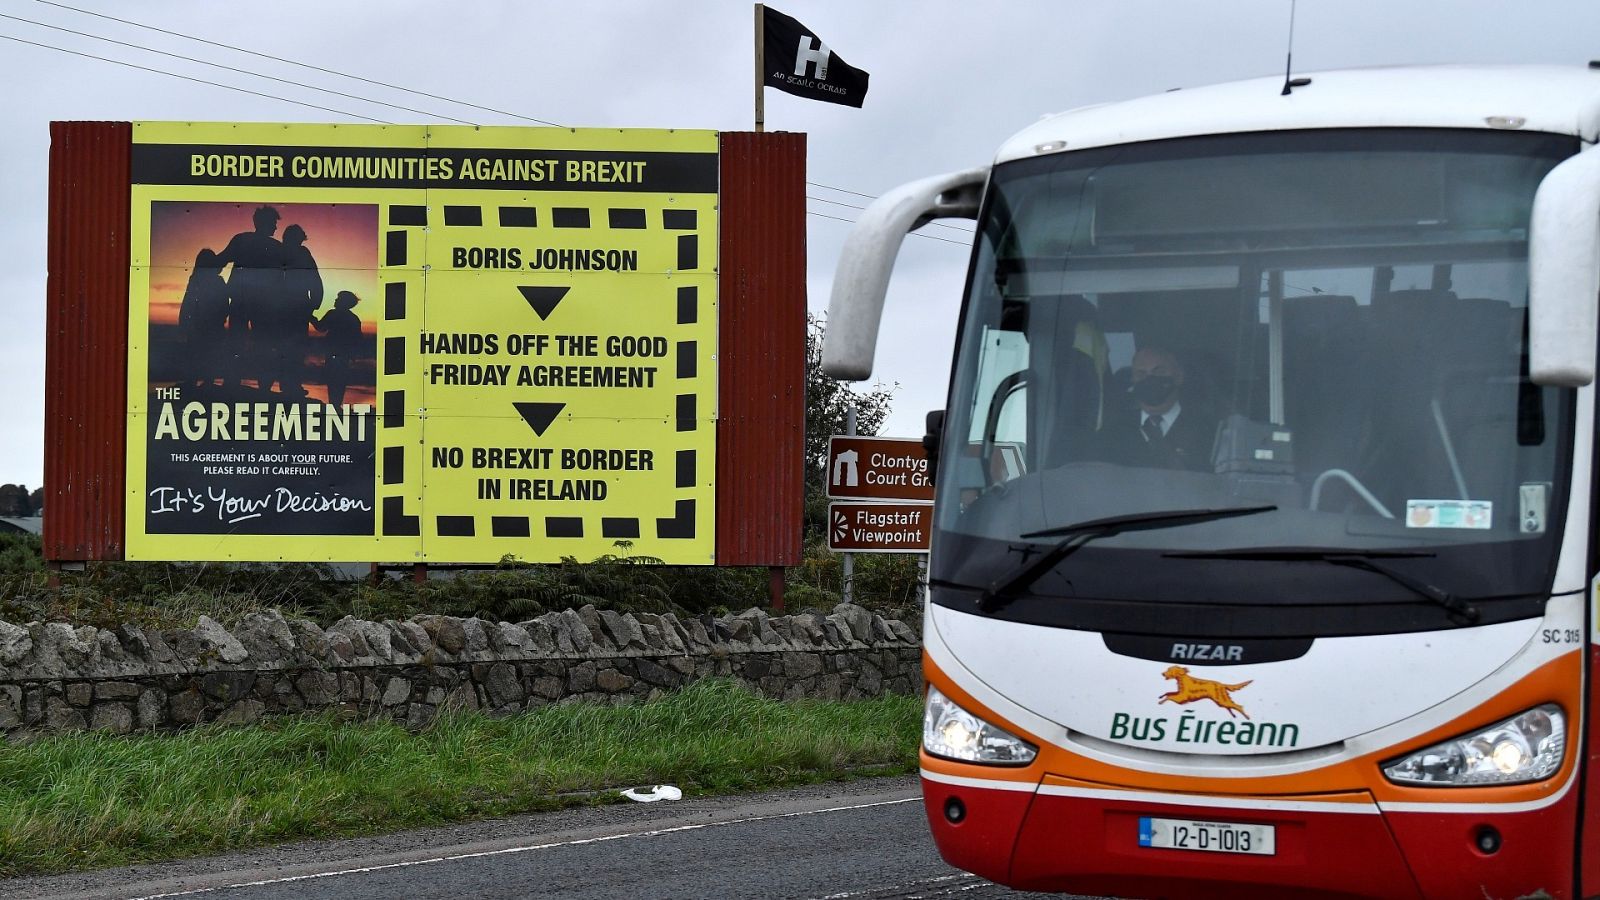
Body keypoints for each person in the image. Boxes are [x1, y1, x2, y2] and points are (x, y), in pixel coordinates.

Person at [1100, 345, 1218, 471]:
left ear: (1179, 376)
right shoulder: (1114, 432)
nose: (1149, 379)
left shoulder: (1210, 430)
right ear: (1133, 380)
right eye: (1141, 374)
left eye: (1159, 371)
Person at [214, 206, 285, 390]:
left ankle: (232, 383)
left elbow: (221, 259)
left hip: (242, 298)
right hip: (263, 303)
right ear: (264, 223)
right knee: (263, 344)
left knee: (237, 341)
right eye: (273, 223)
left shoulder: (242, 239)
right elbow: (282, 278)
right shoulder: (276, 247)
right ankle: (263, 388)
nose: (276, 228)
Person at [277, 224, 324, 399]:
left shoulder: (293, 252)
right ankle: (291, 385)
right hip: (290, 306)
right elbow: (315, 278)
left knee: (290, 346)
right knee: (292, 346)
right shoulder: (297, 253)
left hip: (291, 306)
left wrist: (314, 301)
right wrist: (315, 301)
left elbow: (314, 277)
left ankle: (290, 384)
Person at [176, 248, 228, 387]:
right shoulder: (215, 280)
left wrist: (184, 322)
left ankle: (195, 381)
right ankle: (205, 382)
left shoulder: (196, 279)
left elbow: (188, 302)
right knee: (205, 354)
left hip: (202, 325)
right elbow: (224, 303)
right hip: (208, 326)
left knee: (197, 354)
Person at [314, 291, 363, 406]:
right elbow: (358, 339)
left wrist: (311, 319)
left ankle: (333, 405)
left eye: (338, 298)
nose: (336, 300)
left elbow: (321, 327)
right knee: (340, 380)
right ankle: (336, 405)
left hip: (333, 353)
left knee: (332, 379)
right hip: (344, 355)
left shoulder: (333, 314)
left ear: (343, 302)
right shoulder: (354, 318)